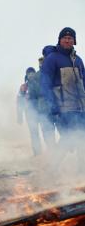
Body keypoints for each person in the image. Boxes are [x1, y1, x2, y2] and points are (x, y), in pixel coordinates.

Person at [40, 27, 85, 171]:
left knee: (81, 138)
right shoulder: (52, 59)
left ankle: (81, 170)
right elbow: (45, 84)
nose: (67, 40)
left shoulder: (78, 60)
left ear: (74, 41)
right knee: (67, 139)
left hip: (80, 107)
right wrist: (52, 105)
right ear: (59, 40)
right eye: (64, 38)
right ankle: (52, 169)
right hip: (63, 108)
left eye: (70, 38)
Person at [17, 65, 56, 156]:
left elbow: (20, 102)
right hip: (42, 111)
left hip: (30, 113)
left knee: (34, 134)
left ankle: (37, 154)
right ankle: (52, 152)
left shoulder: (24, 86)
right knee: (46, 131)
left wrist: (20, 117)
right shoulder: (41, 82)